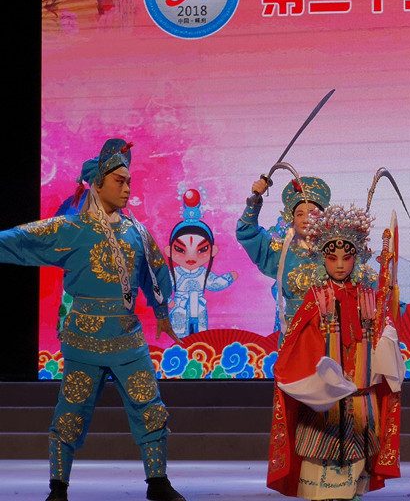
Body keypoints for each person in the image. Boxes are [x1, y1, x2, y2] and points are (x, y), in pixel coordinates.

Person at [0, 139, 186, 501]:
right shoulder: (72, 228)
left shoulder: (138, 232)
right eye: (119, 181)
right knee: (71, 410)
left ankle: (158, 482)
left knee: (150, 406)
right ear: (97, 184)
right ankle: (58, 488)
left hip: (128, 338)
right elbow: (22, 240)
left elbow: (156, 272)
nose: (127, 188)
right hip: (84, 339)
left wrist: (162, 314)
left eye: (129, 181)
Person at [267, 204, 404, 500]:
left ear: (357, 258)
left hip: (362, 398)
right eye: (332, 258)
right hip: (324, 401)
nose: (340, 265)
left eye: (347, 257)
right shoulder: (316, 298)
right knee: (322, 468)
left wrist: (386, 329)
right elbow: (299, 347)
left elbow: (384, 340)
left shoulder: (369, 297)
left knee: (357, 470)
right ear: (322, 259)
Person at [237, 175, 339, 338]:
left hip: (329, 333)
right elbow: (247, 233)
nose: (306, 219)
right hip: (293, 333)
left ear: (323, 218)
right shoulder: (281, 253)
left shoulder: (336, 254)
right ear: (292, 219)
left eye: (313, 214)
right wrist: (255, 203)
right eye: (300, 214)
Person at [168, 188, 237, 338]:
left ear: (213, 251)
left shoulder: (203, 273)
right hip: (180, 311)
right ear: (169, 251)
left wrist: (228, 278)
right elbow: (163, 287)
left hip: (199, 311)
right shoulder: (175, 273)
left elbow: (214, 283)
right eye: (181, 249)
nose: (191, 256)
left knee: (199, 340)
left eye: (201, 249)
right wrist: (168, 301)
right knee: (180, 340)